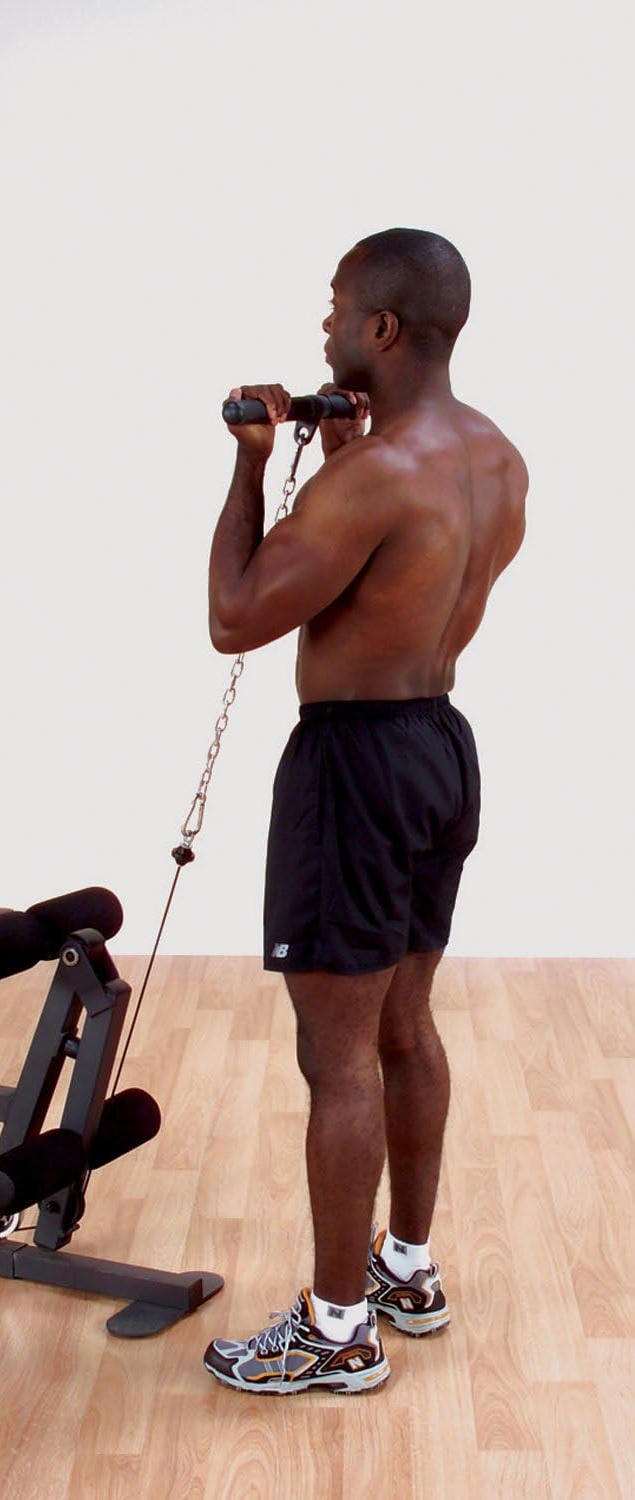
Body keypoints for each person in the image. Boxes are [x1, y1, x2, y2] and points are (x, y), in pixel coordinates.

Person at [200, 228, 528, 1395]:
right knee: (405, 1027)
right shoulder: (494, 458)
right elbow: (397, 580)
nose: (326, 325)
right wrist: (340, 454)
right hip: (440, 747)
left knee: (336, 1056)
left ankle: (336, 1331)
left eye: (338, 308)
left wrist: (252, 467)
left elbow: (236, 617)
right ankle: (406, 1271)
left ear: (381, 329)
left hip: (356, 765)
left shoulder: (375, 475)